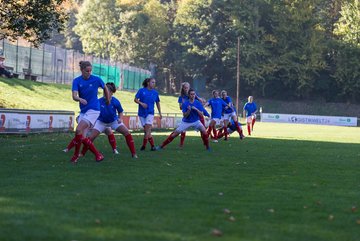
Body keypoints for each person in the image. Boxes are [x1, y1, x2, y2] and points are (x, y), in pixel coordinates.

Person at [65, 61, 110, 163]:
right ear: (82, 70)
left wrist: (107, 99)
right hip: (84, 111)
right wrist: (80, 99)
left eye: (90, 71)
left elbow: (105, 88)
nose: (89, 72)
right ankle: (98, 155)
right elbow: (74, 96)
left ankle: (75, 156)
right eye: (87, 71)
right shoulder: (76, 81)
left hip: (94, 110)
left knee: (78, 129)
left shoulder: (96, 79)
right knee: (81, 136)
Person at [81, 83, 138, 158]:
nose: (104, 92)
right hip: (101, 122)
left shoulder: (115, 101)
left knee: (127, 132)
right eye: (104, 90)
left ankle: (134, 154)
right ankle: (82, 153)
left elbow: (120, 111)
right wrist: (92, 122)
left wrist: (120, 119)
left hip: (113, 121)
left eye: (106, 91)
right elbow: (94, 112)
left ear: (111, 92)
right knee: (91, 137)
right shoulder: (99, 101)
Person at [134, 78, 162, 151]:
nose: (154, 84)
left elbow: (157, 103)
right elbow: (135, 99)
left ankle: (143, 146)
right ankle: (152, 146)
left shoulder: (155, 93)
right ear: (148, 83)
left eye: (154, 82)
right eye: (152, 82)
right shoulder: (141, 90)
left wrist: (160, 113)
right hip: (141, 113)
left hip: (150, 113)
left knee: (147, 129)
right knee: (147, 130)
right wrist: (141, 103)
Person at [177, 82, 208, 147]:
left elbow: (202, 102)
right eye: (185, 88)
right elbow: (180, 107)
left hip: (196, 115)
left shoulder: (193, 94)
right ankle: (181, 143)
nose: (186, 89)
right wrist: (183, 104)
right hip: (188, 116)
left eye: (187, 87)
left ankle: (205, 142)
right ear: (183, 88)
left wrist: (200, 99)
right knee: (183, 130)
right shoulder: (181, 97)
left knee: (202, 130)